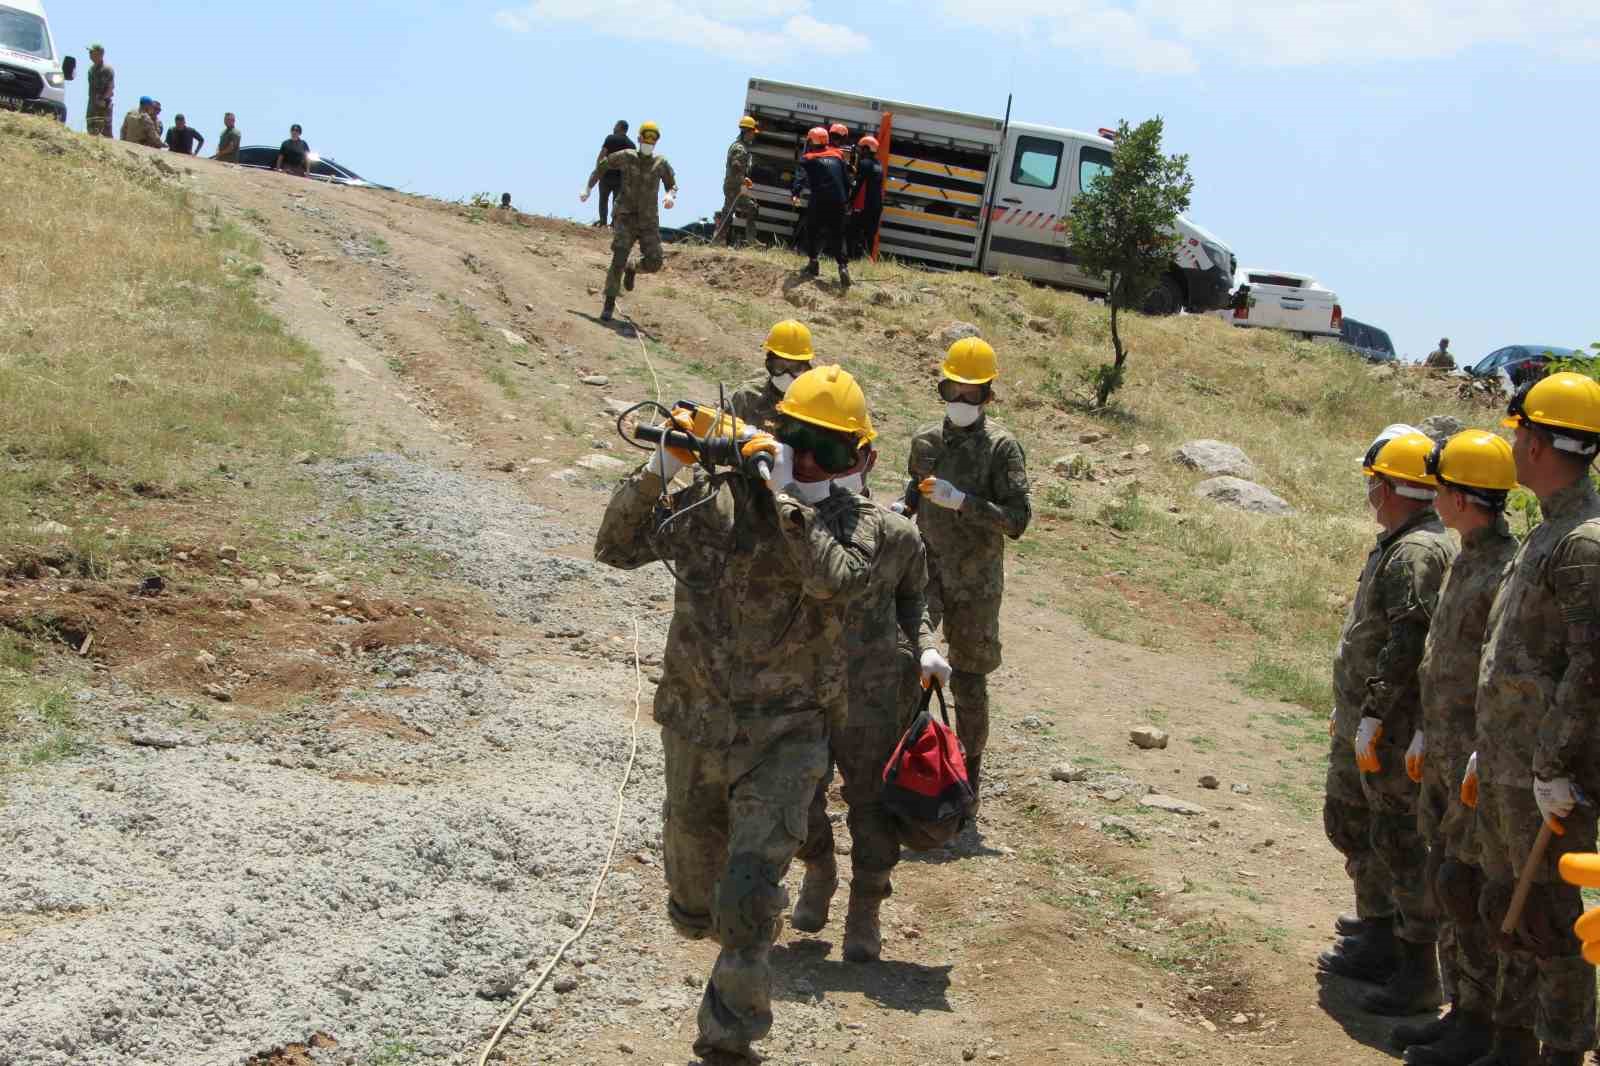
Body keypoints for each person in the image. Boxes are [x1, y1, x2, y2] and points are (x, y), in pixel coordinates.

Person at [595, 364, 881, 1065]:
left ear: (864, 458)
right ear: (779, 433)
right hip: (696, 728)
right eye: (802, 442)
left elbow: (834, 578)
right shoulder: (716, 507)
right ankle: (700, 912)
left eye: (833, 451)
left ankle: (727, 1045)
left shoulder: (862, 526)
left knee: (749, 902)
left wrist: (782, 491)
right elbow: (615, 548)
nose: (814, 461)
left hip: (786, 740)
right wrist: (666, 466)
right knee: (696, 904)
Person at [1466, 372, 1600, 1066]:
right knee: (1510, 913)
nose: (1512, 443)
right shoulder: (1549, 532)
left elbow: (1589, 667)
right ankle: (1510, 1044)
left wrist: (1553, 764)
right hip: (1511, 763)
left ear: (1543, 442)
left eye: (1520, 432)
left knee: (1555, 925)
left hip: (1549, 777)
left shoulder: (1583, 543)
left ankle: (1560, 1053)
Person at [791, 439, 948, 961]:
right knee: (794, 788)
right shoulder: (784, 525)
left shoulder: (896, 534)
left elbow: (913, 599)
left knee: (872, 801)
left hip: (875, 689)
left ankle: (866, 906)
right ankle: (818, 867)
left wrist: (926, 647)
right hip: (798, 684)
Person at [1394, 431, 1518, 1065]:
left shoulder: (1504, 566)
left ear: (1462, 496)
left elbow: (1498, 672)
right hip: (1442, 750)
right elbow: (1441, 658)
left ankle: (1480, 1018)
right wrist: (1423, 729)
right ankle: (1459, 1009)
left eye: (1440, 487)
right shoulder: (1466, 554)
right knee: (1448, 878)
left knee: (1468, 887)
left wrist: (1475, 749)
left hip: (1475, 760)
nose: (1432, 497)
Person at [1319, 428, 1455, 995]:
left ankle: (1413, 964)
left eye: (1376, 483)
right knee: (1355, 823)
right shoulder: (1401, 540)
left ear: (1395, 487)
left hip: (1392, 728)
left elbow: (1407, 640)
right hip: (1367, 718)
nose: (1370, 492)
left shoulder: (1417, 551)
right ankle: (1379, 932)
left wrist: (1374, 713)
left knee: (1397, 840)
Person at [898, 338, 1031, 810]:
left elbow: (1017, 520)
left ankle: (967, 780)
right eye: (953, 389)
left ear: (988, 396)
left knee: (970, 682)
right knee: (905, 660)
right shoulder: (925, 441)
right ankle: (904, 764)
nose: (961, 401)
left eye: (971, 393)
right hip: (926, 573)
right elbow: (914, 489)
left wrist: (965, 504)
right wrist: (902, 507)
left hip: (976, 583)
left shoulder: (1001, 448)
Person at [581, 120, 677, 323]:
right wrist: (588, 187)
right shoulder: (627, 157)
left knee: (655, 261)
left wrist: (670, 195)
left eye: (654, 138)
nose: (649, 142)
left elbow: (672, 184)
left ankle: (633, 267)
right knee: (618, 258)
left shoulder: (661, 163)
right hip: (625, 217)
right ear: (639, 138)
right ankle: (608, 305)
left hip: (649, 221)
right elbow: (603, 165)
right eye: (646, 137)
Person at [791, 127, 852, 290]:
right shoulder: (838, 155)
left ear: (812, 141)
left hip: (820, 200)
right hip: (839, 201)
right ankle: (843, 267)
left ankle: (813, 263)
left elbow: (801, 177)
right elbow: (846, 180)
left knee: (812, 230)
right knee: (838, 234)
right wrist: (847, 200)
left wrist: (795, 192)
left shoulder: (808, 158)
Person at [729, 320, 815, 432]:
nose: (787, 375)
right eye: (780, 366)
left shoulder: (811, 409)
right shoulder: (746, 397)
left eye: (796, 368)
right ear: (769, 364)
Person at [714, 116, 759, 245]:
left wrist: (743, 179)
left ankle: (749, 239)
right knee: (731, 212)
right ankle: (719, 240)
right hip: (734, 187)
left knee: (746, 208)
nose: (753, 136)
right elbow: (735, 165)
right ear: (747, 132)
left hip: (734, 185)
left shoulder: (741, 146)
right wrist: (742, 182)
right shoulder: (740, 148)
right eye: (752, 133)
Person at [848, 135, 884, 259]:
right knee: (870, 235)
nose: (860, 151)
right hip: (877, 205)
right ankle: (868, 259)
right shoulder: (879, 164)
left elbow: (858, 183)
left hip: (866, 205)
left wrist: (850, 201)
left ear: (867, 149)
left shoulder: (865, 163)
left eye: (862, 148)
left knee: (854, 231)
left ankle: (853, 257)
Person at [594, 120, 634, 227]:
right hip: (620, 178)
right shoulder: (631, 145)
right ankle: (613, 225)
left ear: (620, 127)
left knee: (603, 200)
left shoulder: (610, 138)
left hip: (606, 174)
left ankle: (602, 222)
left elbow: (602, 155)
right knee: (616, 202)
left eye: (615, 125)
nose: (614, 127)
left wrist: (597, 171)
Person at [84, 44, 114, 138]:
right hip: (92, 104)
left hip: (103, 106)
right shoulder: (91, 70)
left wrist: (103, 99)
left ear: (100, 54)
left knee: (105, 132)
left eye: (92, 52)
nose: (90, 54)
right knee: (91, 131)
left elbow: (111, 87)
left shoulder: (107, 69)